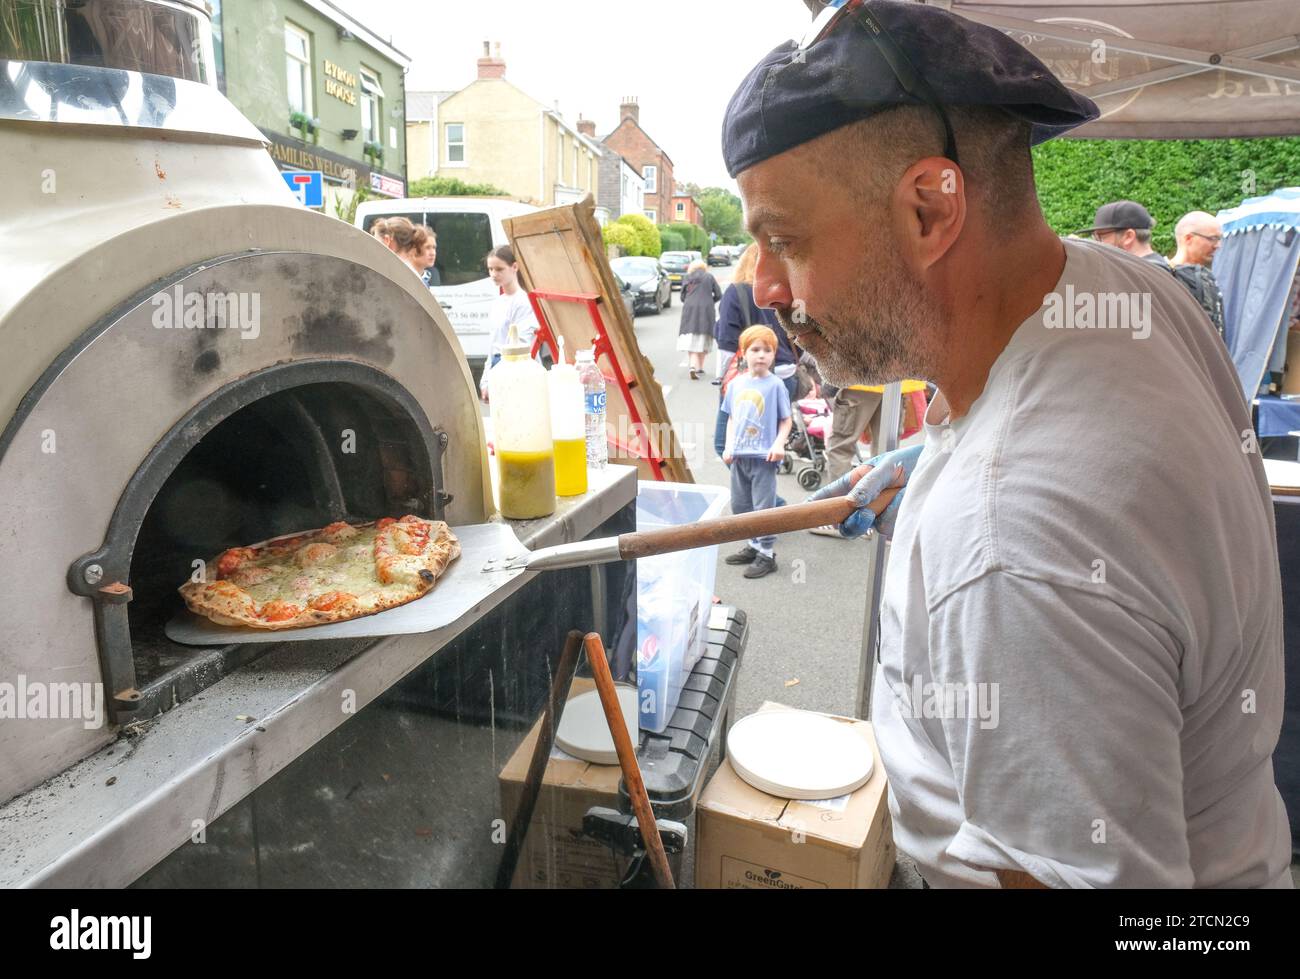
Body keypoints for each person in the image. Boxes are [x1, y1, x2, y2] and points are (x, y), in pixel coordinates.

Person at [725, 0, 1290, 887]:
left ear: (928, 210)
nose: (759, 286)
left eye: (782, 239)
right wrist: (936, 453)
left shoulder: (1015, 538)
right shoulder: (1128, 293)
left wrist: (981, 493)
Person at [713, 244, 799, 459]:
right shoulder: (786, 293)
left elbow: (726, 344)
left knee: (725, 444)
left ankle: (756, 493)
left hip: (750, 378)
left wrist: (722, 377)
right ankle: (757, 490)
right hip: (786, 373)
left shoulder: (736, 293)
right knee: (765, 447)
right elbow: (801, 332)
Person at [720, 325, 792, 579]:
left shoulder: (776, 386)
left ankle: (767, 553)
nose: (761, 355)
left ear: (774, 355)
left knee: (764, 508)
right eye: (755, 349)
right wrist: (729, 446)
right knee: (741, 506)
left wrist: (778, 444)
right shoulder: (735, 385)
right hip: (740, 456)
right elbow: (731, 419)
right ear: (744, 352)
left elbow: (786, 420)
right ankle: (753, 546)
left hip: (764, 458)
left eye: (767, 350)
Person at [479, 244, 540, 400]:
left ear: (514, 267)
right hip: (498, 368)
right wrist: (485, 380)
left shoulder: (524, 302)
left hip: (517, 372)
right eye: (490, 269)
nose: (493, 274)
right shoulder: (498, 302)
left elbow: (520, 345)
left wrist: (495, 378)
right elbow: (493, 344)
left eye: (499, 269)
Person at [1170, 211, 1226, 339]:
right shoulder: (1164, 277)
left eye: (1219, 239)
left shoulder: (1207, 277)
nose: (1218, 245)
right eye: (1212, 238)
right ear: (1189, 238)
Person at [1076, 200, 1170, 268]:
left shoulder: (1140, 274)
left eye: (1100, 236)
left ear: (1128, 236)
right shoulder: (1156, 269)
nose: (1097, 243)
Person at [677, 260, 722, 379]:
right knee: (703, 337)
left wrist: (689, 301)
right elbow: (718, 294)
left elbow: (682, 296)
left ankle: (693, 366)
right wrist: (709, 301)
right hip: (706, 310)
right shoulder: (709, 276)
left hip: (689, 308)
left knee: (691, 337)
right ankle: (700, 367)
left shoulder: (687, 277)